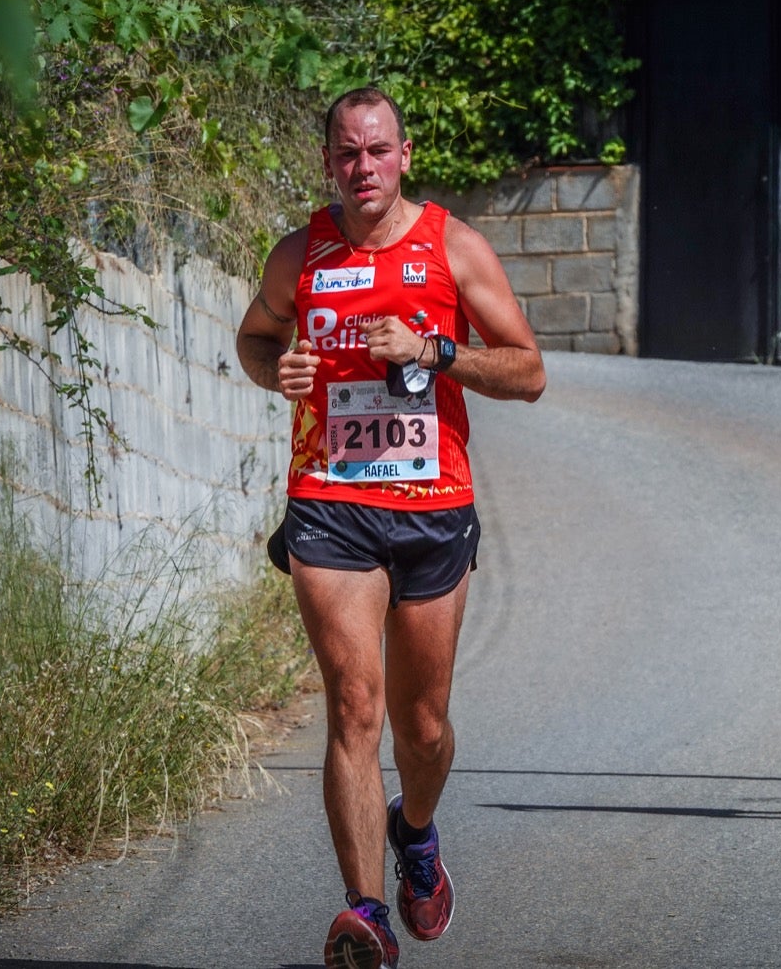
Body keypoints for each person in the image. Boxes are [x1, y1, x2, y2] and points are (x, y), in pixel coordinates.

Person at [236, 85, 545, 969]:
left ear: (404, 156)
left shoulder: (453, 245)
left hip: (432, 507)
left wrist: (435, 351)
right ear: (327, 162)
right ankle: (365, 913)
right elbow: (254, 340)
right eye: (345, 153)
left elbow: (528, 372)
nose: (361, 167)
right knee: (355, 708)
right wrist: (280, 370)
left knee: (424, 727)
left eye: (377, 151)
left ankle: (417, 834)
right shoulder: (300, 253)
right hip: (329, 501)